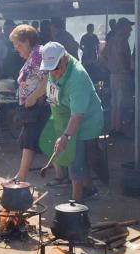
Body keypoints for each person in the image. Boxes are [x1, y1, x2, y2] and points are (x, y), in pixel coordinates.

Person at [39, 42, 104, 203]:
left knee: (75, 158)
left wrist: (65, 136)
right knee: (78, 157)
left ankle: (75, 202)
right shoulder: (55, 71)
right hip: (67, 117)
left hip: (86, 120)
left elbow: (77, 115)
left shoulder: (77, 77)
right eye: (51, 69)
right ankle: (89, 189)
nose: (55, 73)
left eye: (57, 68)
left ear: (65, 59)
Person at [9, 25, 50, 182]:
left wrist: (33, 97)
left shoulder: (37, 54)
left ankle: (21, 177)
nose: (17, 50)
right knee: (39, 139)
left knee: (29, 142)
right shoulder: (34, 55)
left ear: (27, 41)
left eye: (19, 45)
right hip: (34, 106)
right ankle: (61, 176)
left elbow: (48, 78)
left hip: (38, 107)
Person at [101, 17, 134, 136]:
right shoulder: (122, 40)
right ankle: (118, 130)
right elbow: (120, 54)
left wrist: (109, 66)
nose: (130, 30)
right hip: (121, 76)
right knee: (121, 104)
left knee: (115, 104)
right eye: (129, 27)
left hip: (113, 75)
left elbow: (102, 54)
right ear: (123, 27)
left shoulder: (112, 39)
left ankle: (114, 128)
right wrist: (124, 69)